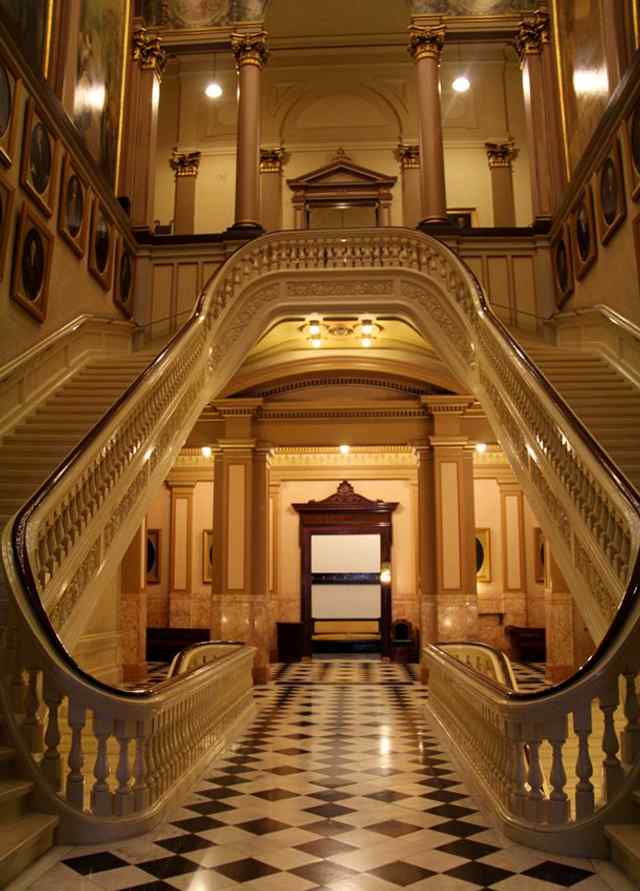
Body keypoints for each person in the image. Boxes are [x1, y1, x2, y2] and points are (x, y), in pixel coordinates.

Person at [30, 122, 51, 194]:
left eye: (41, 131)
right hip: (34, 175)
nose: (40, 133)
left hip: (41, 177)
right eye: (38, 131)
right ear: (36, 132)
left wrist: (46, 176)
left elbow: (45, 165)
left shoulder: (44, 149)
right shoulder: (32, 144)